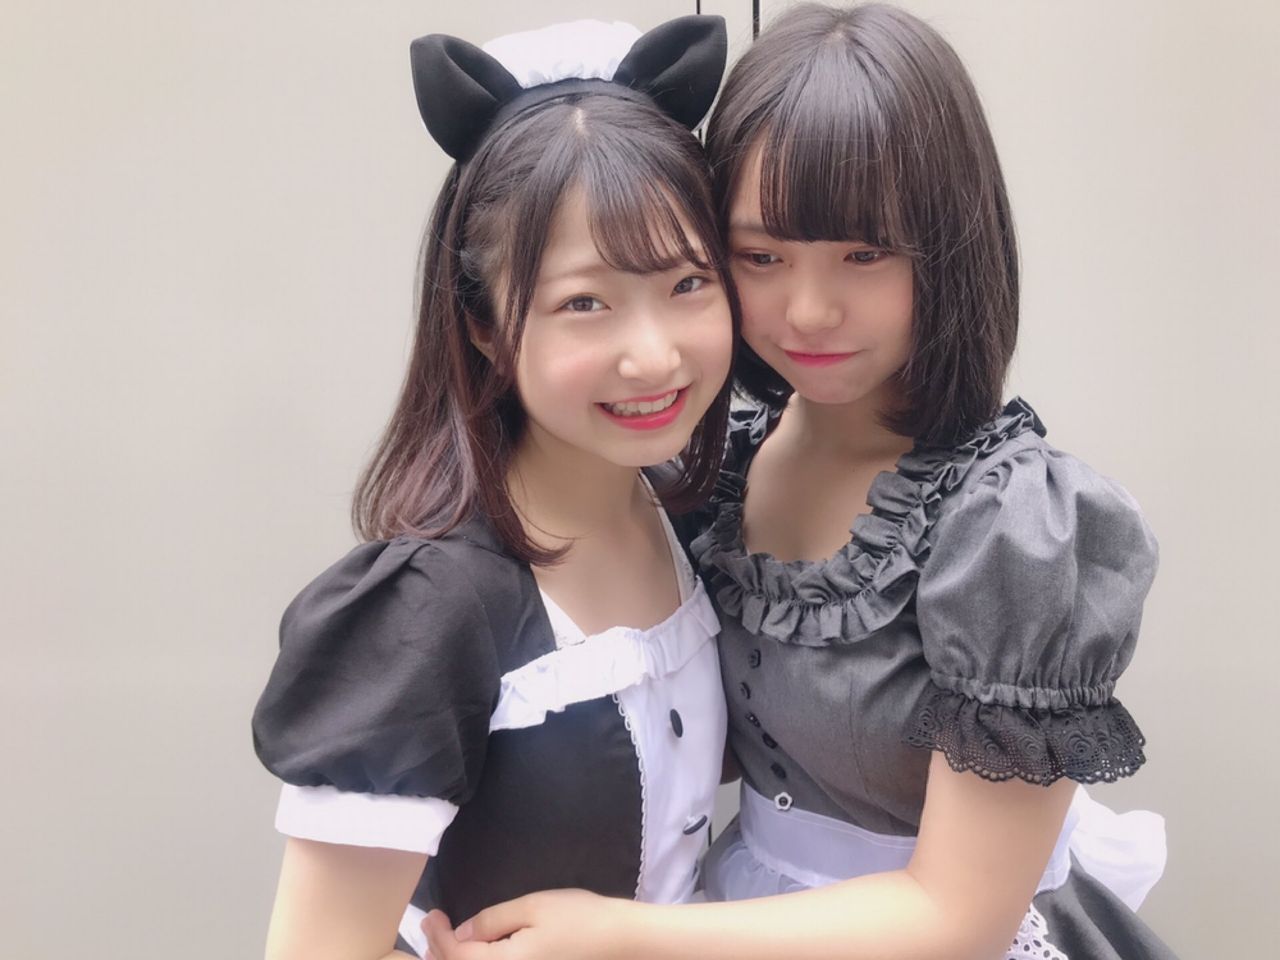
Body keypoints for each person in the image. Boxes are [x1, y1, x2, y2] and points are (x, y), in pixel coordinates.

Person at [422, 4, 1175, 959]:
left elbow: (959, 918)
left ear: (951, 245)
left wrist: (622, 936)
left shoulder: (1012, 526)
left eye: (864, 254)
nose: (809, 309)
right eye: (761, 257)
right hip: (742, 911)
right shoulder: (710, 475)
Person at [251, 16, 737, 960]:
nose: (653, 355)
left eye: (687, 283)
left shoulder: (694, 515)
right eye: (584, 303)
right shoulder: (431, 609)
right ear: (481, 326)